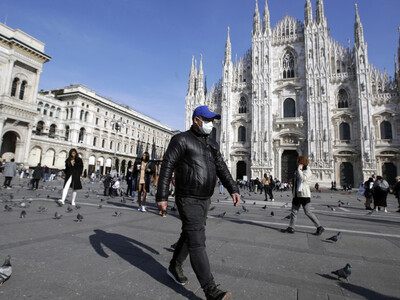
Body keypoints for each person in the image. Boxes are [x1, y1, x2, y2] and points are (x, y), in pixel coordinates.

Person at [156, 105, 240, 300]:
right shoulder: (181, 139)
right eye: (208, 120)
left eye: (212, 120)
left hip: (204, 198)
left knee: (189, 233)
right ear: (196, 120)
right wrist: (161, 196)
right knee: (197, 241)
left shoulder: (212, 144)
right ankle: (210, 290)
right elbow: (167, 165)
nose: (211, 124)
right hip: (187, 197)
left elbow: (222, 168)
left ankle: (174, 266)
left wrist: (233, 188)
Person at [282, 156, 324, 235]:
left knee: (308, 212)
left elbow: (303, 178)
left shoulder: (308, 171)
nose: (296, 162)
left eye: (298, 161)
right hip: (297, 194)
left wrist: (299, 170)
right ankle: (291, 227)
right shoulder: (299, 170)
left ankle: (319, 227)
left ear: (301, 162)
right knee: (294, 212)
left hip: (304, 195)